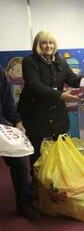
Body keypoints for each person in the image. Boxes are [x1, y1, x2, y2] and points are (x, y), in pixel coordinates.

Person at [17, 30, 83, 173]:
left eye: (51, 42)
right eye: (44, 43)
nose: (48, 46)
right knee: (36, 151)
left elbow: (72, 80)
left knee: (60, 148)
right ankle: (36, 181)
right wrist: (61, 95)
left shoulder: (61, 61)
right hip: (35, 113)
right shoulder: (29, 62)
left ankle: (57, 179)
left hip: (57, 113)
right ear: (38, 45)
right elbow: (36, 86)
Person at [0, 65, 40, 220]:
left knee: (19, 163)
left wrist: (17, 121)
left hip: (2, 128)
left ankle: (23, 205)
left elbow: (7, 102)